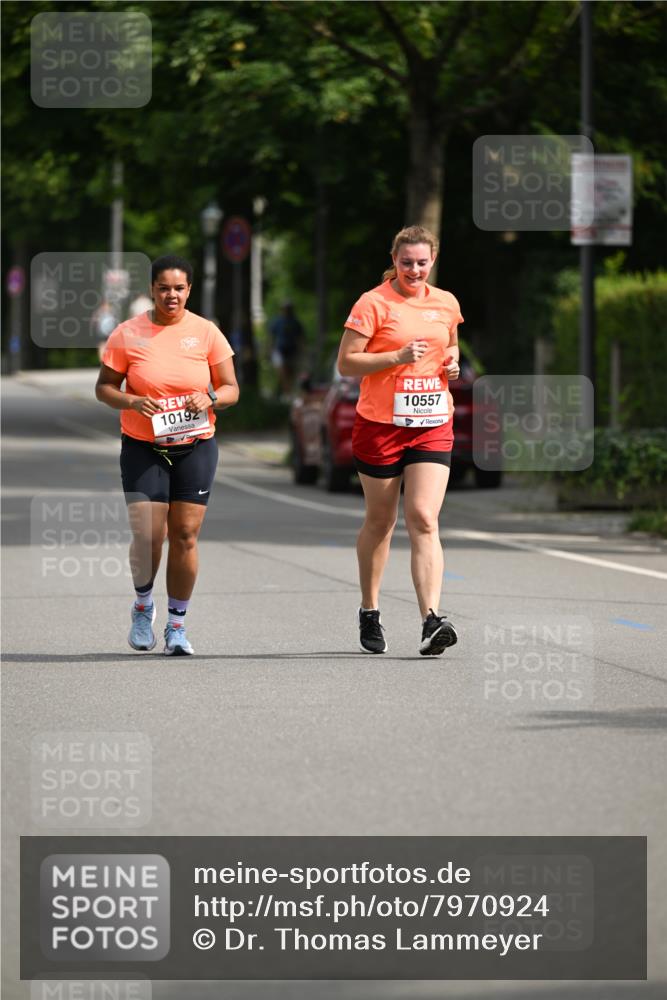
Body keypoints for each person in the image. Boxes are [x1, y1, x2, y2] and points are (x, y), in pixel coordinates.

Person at [95, 254, 239, 655]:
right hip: (144, 446)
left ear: (189, 290)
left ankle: (177, 626)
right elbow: (103, 388)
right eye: (163, 288)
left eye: (178, 288)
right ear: (152, 290)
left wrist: (209, 395)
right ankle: (143, 605)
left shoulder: (206, 332)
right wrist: (132, 401)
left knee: (185, 536)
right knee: (147, 536)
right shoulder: (128, 333)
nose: (171, 295)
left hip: (196, 444)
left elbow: (230, 388)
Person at [337, 225, 462, 656]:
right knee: (381, 520)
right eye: (406, 262)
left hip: (430, 422)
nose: (414, 269)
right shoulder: (373, 304)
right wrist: (395, 356)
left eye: (422, 262)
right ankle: (369, 610)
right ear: (394, 260)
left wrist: (452, 365)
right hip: (380, 425)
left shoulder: (445, 302)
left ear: (433, 261)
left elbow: (452, 347)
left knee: (425, 517)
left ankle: (431, 620)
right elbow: (347, 363)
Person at [269, 300, 304, 397]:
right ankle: (286, 392)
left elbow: (300, 338)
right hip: (279, 350)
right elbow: (272, 337)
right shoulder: (277, 322)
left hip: (292, 351)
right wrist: (270, 350)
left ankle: (288, 392)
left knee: (291, 371)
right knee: (282, 371)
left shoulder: (295, 323)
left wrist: (302, 350)